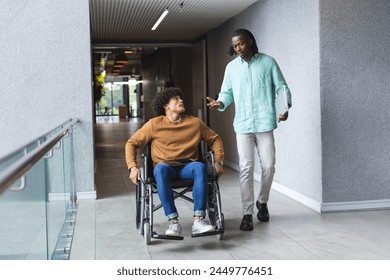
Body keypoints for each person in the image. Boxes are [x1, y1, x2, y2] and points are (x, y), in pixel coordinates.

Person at [207, 28, 292, 231]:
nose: (238, 48)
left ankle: (262, 201)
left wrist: (284, 107)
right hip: (243, 124)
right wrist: (220, 103)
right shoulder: (231, 68)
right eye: (235, 46)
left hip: (265, 122)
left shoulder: (268, 62)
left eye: (241, 44)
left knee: (269, 166)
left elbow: (281, 87)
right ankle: (247, 213)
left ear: (251, 41)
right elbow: (226, 93)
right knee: (245, 168)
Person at [126, 87, 224, 237]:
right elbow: (131, 143)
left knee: (200, 166)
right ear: (166, 106)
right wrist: (132, 167)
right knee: (159, 170)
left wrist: (217, 161)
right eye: (176, 99)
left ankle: (198, 221)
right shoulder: (154, 124)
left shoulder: (194, 123)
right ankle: (173, 223)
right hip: (165, 169)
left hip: (188, 167)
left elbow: (215, 139)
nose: (181, 100)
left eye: (181, 98)